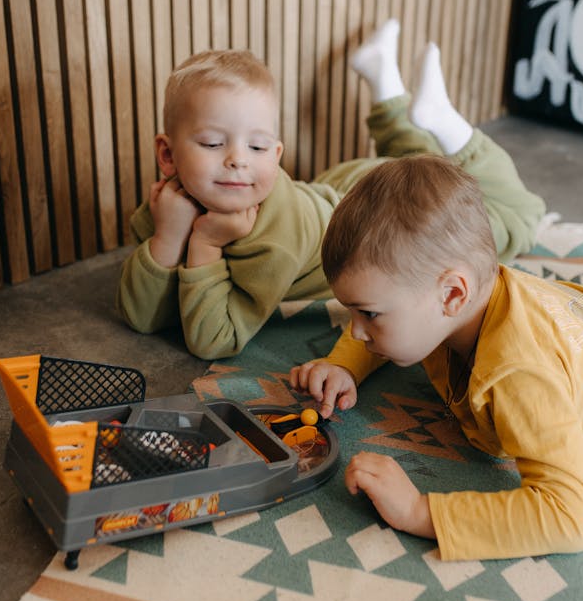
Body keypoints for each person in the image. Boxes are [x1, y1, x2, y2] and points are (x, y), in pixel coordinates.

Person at [117, 20, 545, 360]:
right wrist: (167, 238)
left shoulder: (276, 240)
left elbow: (214, 340)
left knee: (517, 217)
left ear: (277, 153)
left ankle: (447, 123)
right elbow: (142, 317)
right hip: (341, 189)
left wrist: (206, 245)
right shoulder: (175, 199)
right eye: (213, 143)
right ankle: (387, 85)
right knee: (413, 157)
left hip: (385, 224)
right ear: (168, 155)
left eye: (258, 146)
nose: (238, 159)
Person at [289, 155, 583, 561]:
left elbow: (569, 516)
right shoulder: (462, 299)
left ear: (452, 294)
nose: (356, 331)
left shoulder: (518, 376)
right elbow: (397, 317)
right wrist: (345, 363)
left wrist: (420, 512)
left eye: (369, 314)